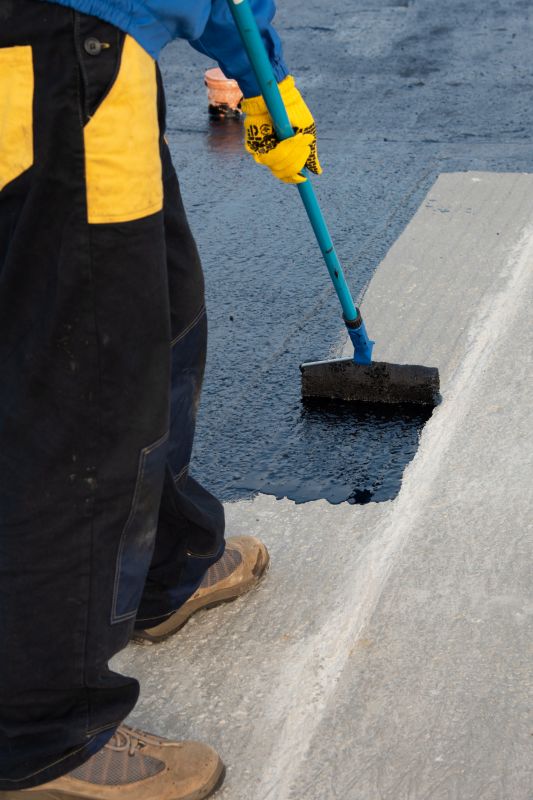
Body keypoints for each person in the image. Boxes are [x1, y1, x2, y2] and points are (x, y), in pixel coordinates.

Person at [0, 0, 321, 797]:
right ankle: (39, 735)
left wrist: (258, 75)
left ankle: (160, 568)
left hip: (92, 52)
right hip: (61, 50)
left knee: (162, 316)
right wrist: (259, 71)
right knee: (85, 389)